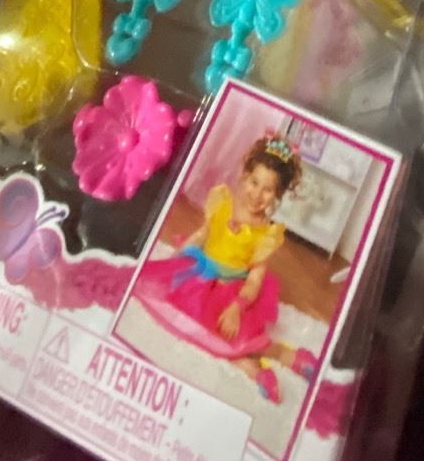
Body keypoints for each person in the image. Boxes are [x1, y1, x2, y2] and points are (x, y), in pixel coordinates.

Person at [136, 133, 319, 405]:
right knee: (210, 334)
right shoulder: (223, 203)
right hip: (201, 274)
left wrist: (236, 307)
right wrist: (175, 259)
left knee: (239, 335)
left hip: (232, 291)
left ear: (277, 195)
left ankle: (287, 356)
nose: (257, 195)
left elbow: (254, 280)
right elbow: (202, 234)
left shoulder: (265, 234)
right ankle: (255, 371)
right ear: (244, 176)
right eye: (254, 182)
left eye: (268, 190)